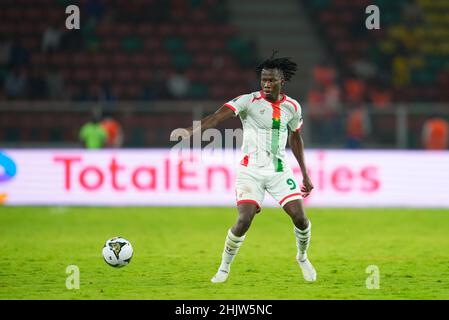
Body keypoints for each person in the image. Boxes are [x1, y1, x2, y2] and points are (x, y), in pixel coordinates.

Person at [171, 53, 316, 283]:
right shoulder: (248, 101)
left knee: (300, 218)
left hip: (279, 171)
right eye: (263, 80)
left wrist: (305, 175)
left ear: (282, 81)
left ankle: (302, 256)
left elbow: (295, 138)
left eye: (271, 80)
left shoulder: (293, 107)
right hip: (251, 171)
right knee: (244, 220)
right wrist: (191, 130)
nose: (266, 84)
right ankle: (224, 268)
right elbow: (217, 117)